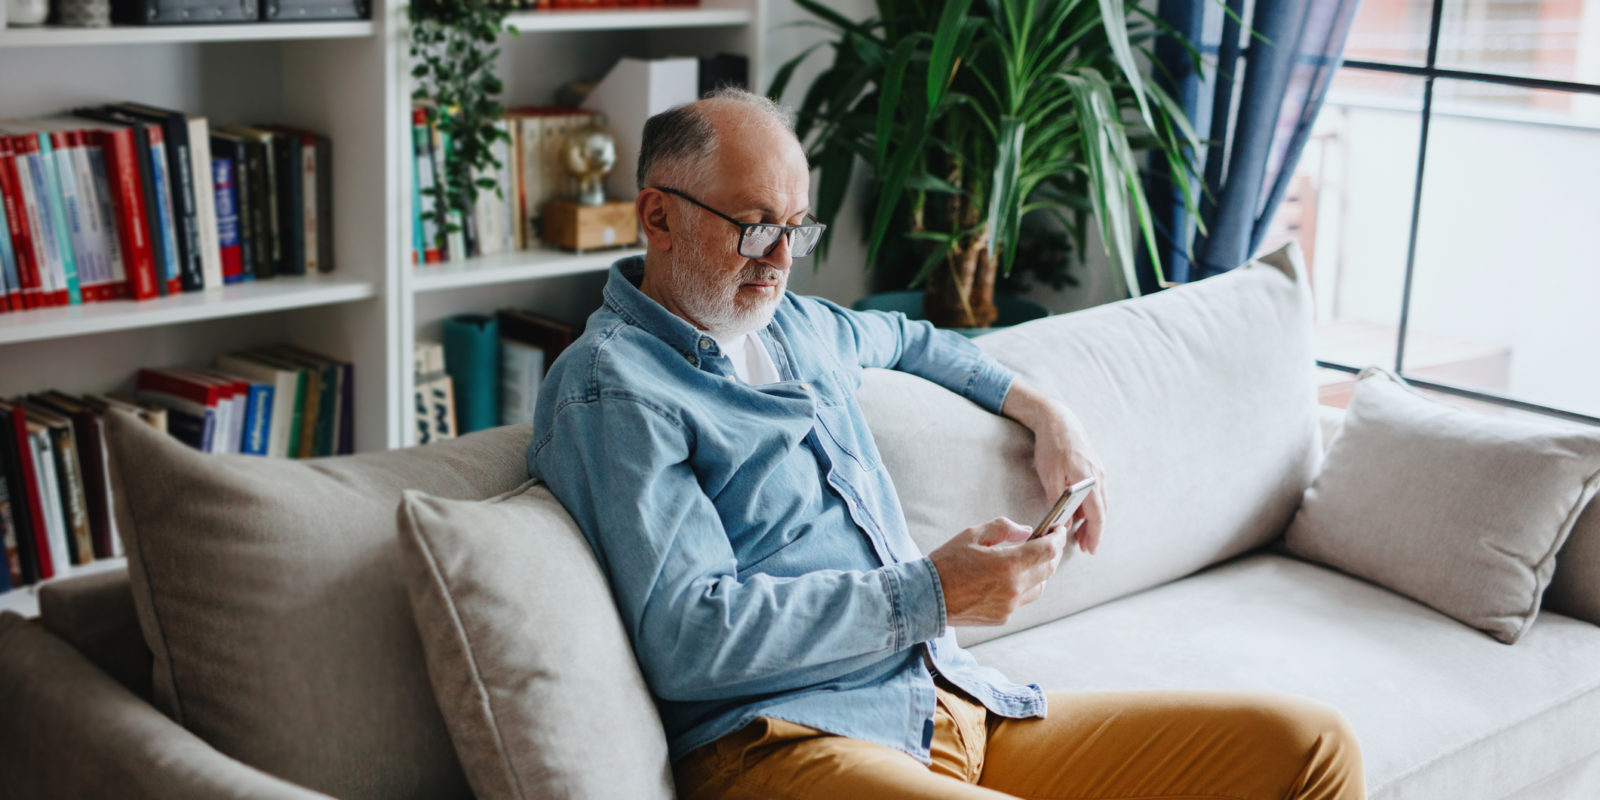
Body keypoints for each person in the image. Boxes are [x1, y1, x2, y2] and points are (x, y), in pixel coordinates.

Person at [528, 88, 1365, 800]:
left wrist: (1049, 415)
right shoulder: (614, 389)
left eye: (797, 229)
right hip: (785, 743)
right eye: (753, 228)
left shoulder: (796, 329)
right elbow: (689, 639)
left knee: (1312, 748)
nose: (781, 260)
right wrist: (933, 591)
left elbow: (911, 339)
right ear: (658, 216)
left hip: (947, 703)